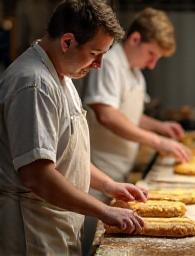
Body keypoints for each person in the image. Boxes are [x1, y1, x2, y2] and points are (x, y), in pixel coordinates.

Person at [0, 1, 147, 255]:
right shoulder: (34, 84)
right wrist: (104, 210)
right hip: (33, 227)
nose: (99, 64)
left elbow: (65, 153)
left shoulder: (62, 77)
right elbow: (38, 175)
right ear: (67, 42)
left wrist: (108, 185)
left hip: (56, 220)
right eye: (94, 53)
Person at [84, 7, 191, 183]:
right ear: (135, 39)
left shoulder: (136, 73)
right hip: (98, 171)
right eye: (151, 54)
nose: (152, 65)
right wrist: (157, 141)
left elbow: (129, 116)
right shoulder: (109, 63)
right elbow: (107, 115)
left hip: (120, 169)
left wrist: (160, 126)